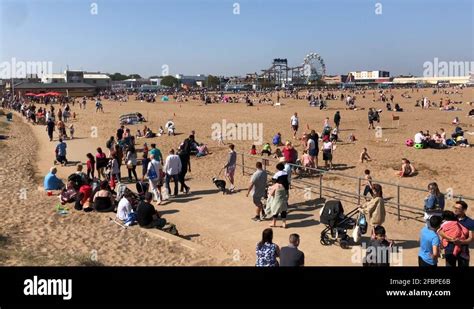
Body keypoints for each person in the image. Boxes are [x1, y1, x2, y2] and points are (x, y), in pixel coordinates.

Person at [451, 200, 474, 266]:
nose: (455, 210)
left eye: (458, 208)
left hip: (463, 251)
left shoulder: (470, 222)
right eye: (454, 207)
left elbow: (471, 238)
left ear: (464, 210)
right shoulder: (450, 218)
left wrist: (460, 242)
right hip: (450, 249)